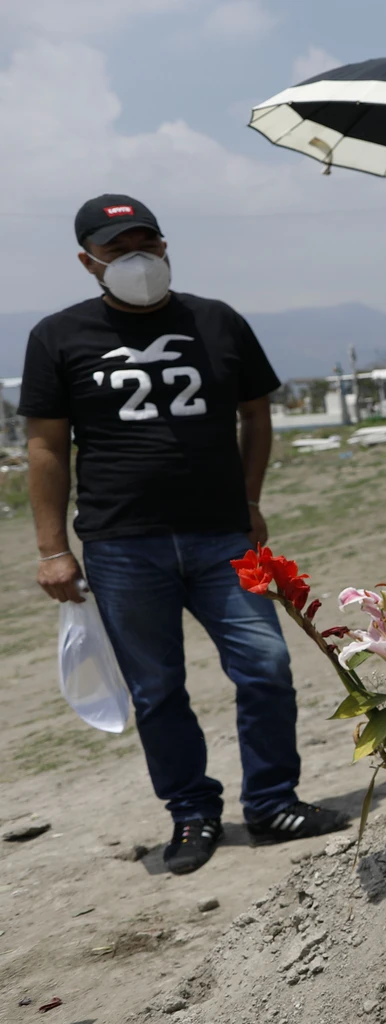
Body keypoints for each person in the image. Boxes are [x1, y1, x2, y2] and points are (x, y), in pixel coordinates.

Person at [22, 195, 350, 875]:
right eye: (118, 249)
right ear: (89, 261)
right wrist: (53, 549)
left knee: (265, 664)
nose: (137, 258)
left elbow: (256, 414)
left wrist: (251, 497)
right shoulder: (58, 336)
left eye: (149, 242)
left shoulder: (215, 320)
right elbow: (47, 447)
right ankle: (192, 813)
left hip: (221, 535)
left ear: (167, 248)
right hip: (120, 544)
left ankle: (272, 801)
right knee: (158, 690)